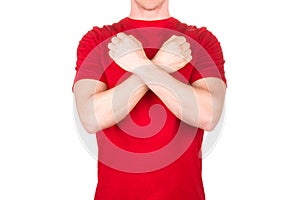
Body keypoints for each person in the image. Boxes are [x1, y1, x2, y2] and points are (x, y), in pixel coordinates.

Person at [73, 0, 226, 199]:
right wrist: (160, 64)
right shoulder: (98, 40)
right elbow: (91, 118)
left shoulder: (200, 41)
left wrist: (140, 65)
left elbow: (209, 114)